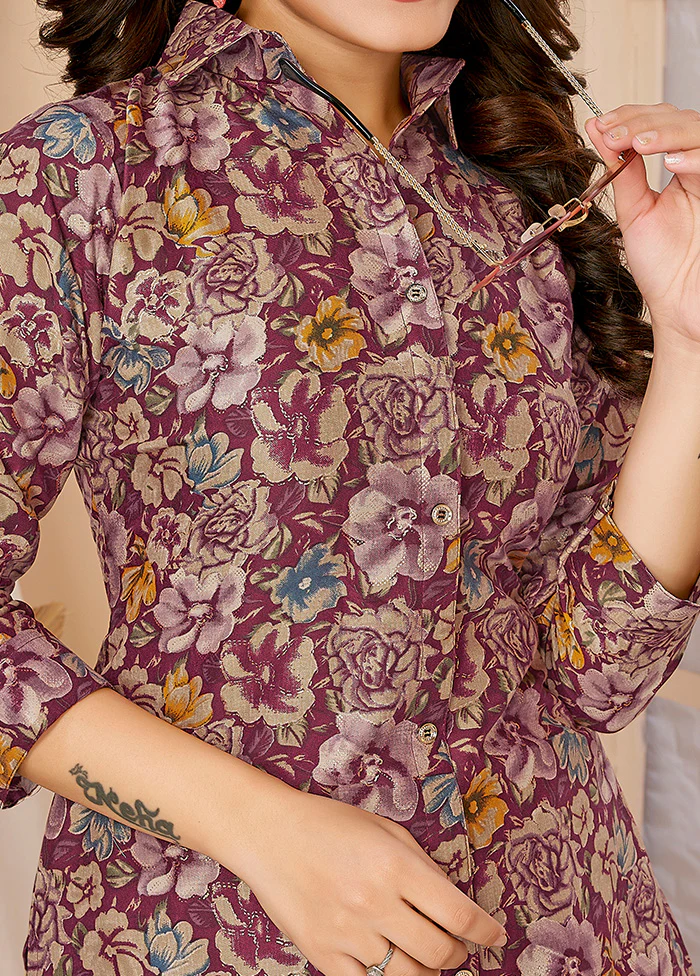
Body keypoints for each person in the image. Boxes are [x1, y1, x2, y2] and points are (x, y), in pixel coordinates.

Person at [1, 0, 700, 973]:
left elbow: (598, 668)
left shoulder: (520, 194)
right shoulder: (81, 174)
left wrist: (690, 340)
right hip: (208, 934)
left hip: (565, 921)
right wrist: (265, 830)